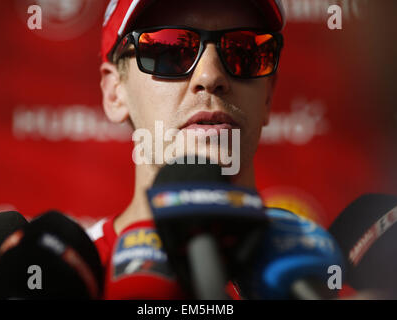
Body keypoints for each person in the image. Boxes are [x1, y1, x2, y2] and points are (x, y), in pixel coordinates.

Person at [88, 0, 285, 299]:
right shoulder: (65, 280)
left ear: (269, 95)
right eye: (169, 51)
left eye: (244, 50)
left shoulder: (318, 285)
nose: (210, 77)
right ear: (115, 93)